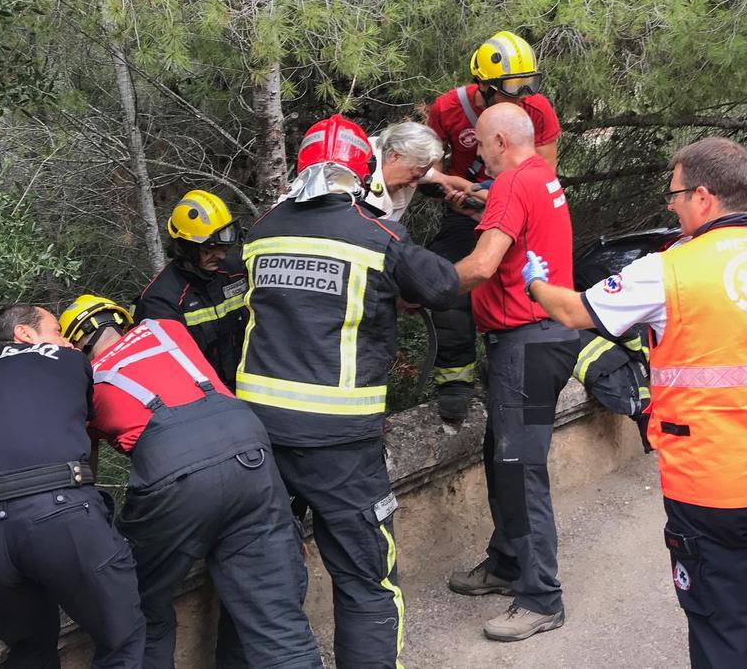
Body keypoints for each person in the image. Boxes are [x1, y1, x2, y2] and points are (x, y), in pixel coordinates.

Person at [521, 136, 747, 667]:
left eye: (676, 193)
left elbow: (574, 313)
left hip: (710, 490)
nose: (671, 203)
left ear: (704, 198)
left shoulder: (667, 271)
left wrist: (537, 286)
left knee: (720, 631)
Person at [237, 113, 460, 668]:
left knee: (266, 579)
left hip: (259, 435)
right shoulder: (376, 234)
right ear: (364, 168)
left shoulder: (263, 230)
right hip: (341, 442)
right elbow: (443, 286)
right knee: (366, 576)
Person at [59, 295, 322, 669]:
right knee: (275, 617)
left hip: (173, 472)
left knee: (137, 600)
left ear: (75, 345)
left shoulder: (88, 384)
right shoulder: (167, 330)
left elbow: (84, 472)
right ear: (121, 320)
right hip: (249, 450)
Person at [0, 305, 144, 669]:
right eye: (57, 330)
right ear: (24, 334)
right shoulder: (66, 359)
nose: (67, 340)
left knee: (30, 653)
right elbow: (86, 427)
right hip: (55, 509)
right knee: (123, 640)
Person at [449, 102, 577, 641]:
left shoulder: (509, 187)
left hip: (524, 344)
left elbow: (480, 265)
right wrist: (469, 196)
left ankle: (541, 597)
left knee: (521, 472)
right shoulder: (541, 174)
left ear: (501, 141)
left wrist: (418, 287)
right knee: (502, 459)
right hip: (546, 338)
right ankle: (505, 563)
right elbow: (512, 225)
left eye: (480, 143)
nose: (475, 151)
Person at [422, 31, 563, 424]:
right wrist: (454, 190)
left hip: (520, 207)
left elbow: (544, 173)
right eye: (511, 89)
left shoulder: (537, 110)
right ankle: (455, 380)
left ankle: (511, 363)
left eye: (528, 86)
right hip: (465, 208)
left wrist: (491, 192)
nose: (522, 97)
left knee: (525, 285)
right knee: (447, 281)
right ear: (483, 86)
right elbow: (427, 167)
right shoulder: (448, 109)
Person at [134, 190, 248, 389]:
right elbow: (168, 372)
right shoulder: (161, 300)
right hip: (205, 398)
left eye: (223, 247)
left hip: (249, 386)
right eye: (209, 250)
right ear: (186, 248)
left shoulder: (236, 271)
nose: (220, 256)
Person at [365, 121, 445, 223]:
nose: (413, 185)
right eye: (414, 176)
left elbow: (444, 180)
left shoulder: (394, 156)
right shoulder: (364, 194)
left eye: (419, 177)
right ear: (395, 156)